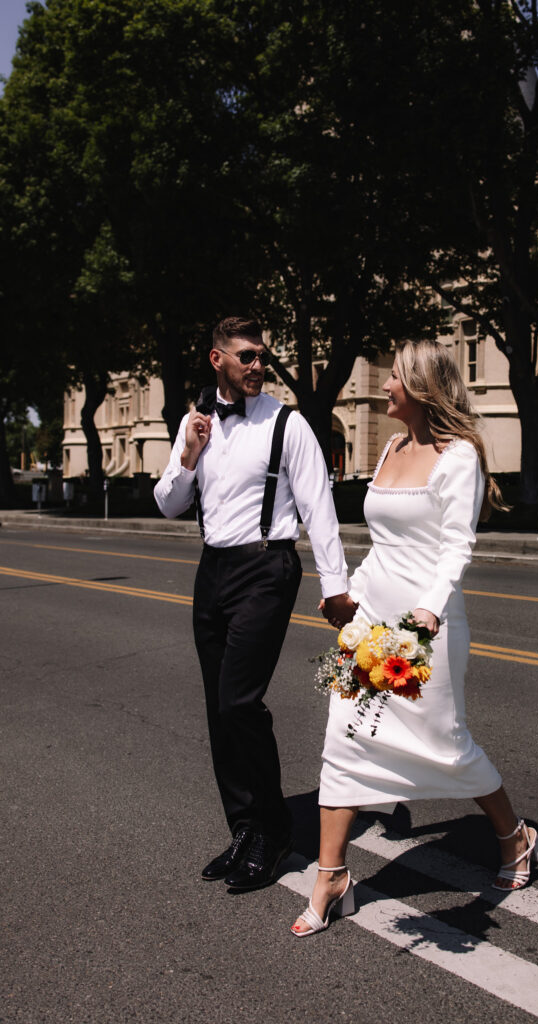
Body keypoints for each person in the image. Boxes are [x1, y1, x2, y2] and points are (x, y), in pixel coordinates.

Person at [291, 338, 538, 937]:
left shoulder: (458, 457)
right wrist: (347, 595)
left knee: (445, 744)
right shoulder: (391, 449)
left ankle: (516, 839)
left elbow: (457, 546)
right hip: (372, 615)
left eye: (396, 378)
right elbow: (382, 541)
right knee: (343, 733)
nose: (384, 386)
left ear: (423, 387)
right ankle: (330, 876)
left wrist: (429, 611)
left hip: (425, 625)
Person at [154, 316, 350, 893]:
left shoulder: (287, 424)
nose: (258, 364)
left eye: (261, 355)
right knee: (220, 708)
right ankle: (243, 828)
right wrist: (189, 454)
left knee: (240, 700)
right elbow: (168, 504)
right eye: (246, 356)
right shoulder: (196, 423)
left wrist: (333, 586)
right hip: (213, 568)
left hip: (268, 566)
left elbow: (319, 507)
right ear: (217, 360)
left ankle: (275, 831)